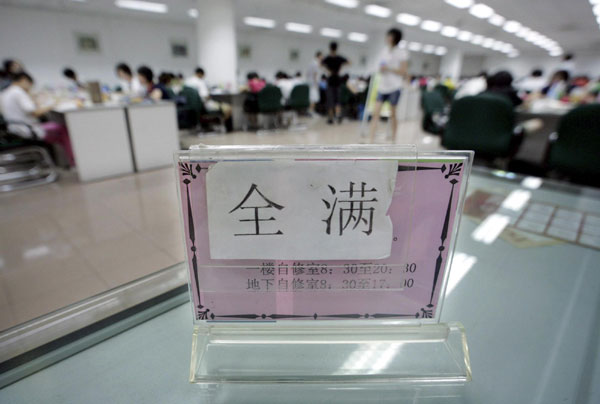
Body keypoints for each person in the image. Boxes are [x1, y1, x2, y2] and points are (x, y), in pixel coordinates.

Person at [0, 72, 74, 165]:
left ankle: (63, 161)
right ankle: (72, 161)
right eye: (30, 84)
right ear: (24, 80)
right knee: (62, 129)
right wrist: (53, 105)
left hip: (14, 129)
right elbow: (35, 112)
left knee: (58, 130)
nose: (29, 88)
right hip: (27, 130)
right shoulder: (18, 92)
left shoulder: (6, 92)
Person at [368, 28, 408, 142]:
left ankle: (394, 139)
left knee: (393, 114)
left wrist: (388, 69)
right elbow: (379, 66)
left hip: (394, 87)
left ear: (394, 38)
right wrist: (380, 69)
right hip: (382, 87)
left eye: (389, 36)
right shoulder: (384, 51)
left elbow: (403, 71)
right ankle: (371, 139)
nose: (387, 38)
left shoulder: (401, 52)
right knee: (375, 113)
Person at [321, 41, 349, 124]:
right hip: (337, 80)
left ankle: (331, 118)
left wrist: (327, 70)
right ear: (337, 48)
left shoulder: (328, 58)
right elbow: (349, 62)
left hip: (330, 81)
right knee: (337, 101)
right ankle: (338, 115)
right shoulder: (339, 58)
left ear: (330, 48)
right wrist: (340, 68)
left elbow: (321, 64)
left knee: (330, 101)